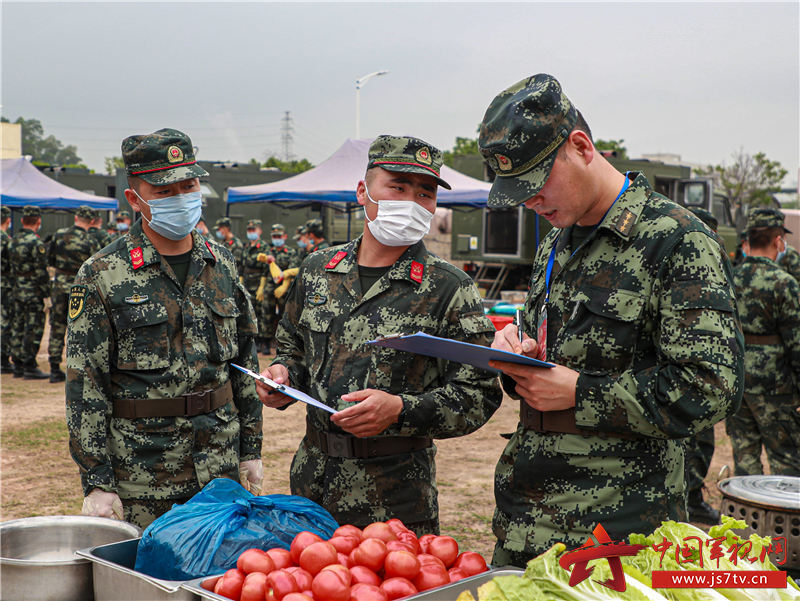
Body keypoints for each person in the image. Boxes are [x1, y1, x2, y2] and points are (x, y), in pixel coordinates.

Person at [478, 74, 743, 566]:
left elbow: (709, 388)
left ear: (580, 146)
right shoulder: (555, 244)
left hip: (616, 534)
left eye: (538, 183)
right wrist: (523, 357)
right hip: (525, 519)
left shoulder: (676, 240)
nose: (531, 201)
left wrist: (581, 393)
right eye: (519, 191)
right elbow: (560, 359)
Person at [256, 135, 502, 534]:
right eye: (398, 187)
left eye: (425, 193)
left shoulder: (449, 288)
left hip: (396, 496)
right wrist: (282, 375)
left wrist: (401, 410)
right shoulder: (318, 269)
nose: (411, 202)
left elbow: (479, 395)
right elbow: (293, 348)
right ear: (363, 192)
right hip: (311, 485)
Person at [66, 128, 264, 529]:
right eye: (164, 191)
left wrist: (251, 449)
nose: (182, 198)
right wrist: (97, 481)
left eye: (189, 185)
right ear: (134, 200)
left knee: (220, 579)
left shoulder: (221, 264)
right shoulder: (103, 273)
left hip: (219, 467)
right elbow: (85, 384)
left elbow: (245, 363)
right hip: (144, 473)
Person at [727, 208, 800, 476]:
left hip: (736, 381)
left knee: (744, 458)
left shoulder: (729, 279)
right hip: (775, 387)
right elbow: (797, 345)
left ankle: (745, 516)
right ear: (778, 241)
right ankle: (786, 517)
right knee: (786, 461)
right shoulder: (785, 283)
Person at [681, 207, 722, 523]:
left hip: (701, 371)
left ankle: (691, 497)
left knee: (701, 442)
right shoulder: (687, 271)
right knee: (695, 441)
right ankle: (690, 499)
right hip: (687, 373)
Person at [46, 205, 101, 383]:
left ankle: (54, 367)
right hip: (80, 289)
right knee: (80, 328)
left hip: (60, 286)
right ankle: (79, 368)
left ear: (76, 217)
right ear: (92, 221)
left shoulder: (59, 235)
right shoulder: (90, 241)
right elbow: (96, 267)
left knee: (56, 326)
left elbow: (50, 259)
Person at [8, 205, 51, 379]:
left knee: (17, 326)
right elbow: (41, 271)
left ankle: (17, 364)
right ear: (38, 221)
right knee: (33, 327)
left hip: (17, 289)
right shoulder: (36, 243)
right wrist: (46, 293)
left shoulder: (13, 240)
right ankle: (29, 365)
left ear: (22, 220)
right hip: (33, 291)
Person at [256, 223, 301, 354]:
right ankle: (264, 342)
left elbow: (291, 271)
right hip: (270, 287)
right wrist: (261, 287)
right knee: (266, 314)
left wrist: (284, 287)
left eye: (279, 236)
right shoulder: (269, 252)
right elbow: (264, 272)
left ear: (285, 236)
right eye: (274, 236)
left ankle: (283, 343)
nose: (276, 238)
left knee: (284, 315)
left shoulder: (291, 252)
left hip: (284, 289)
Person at [239, 219, 270, 354]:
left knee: (262, 312)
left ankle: (265, 343)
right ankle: (254, 341)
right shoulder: (245, 247)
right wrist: (240, 282)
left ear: (260, 231)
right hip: (247, 283)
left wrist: (262, 286)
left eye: (254, 230)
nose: (251, 232)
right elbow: (241, 265)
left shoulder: (263, 247)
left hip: (258, 283)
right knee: (250, 313)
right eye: (249, 230)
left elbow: (266, 267)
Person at [1, 205, 14, 373]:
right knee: (6, 320)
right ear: (8, 220)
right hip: (5, 284)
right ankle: (3, 359)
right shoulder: (5, 240)